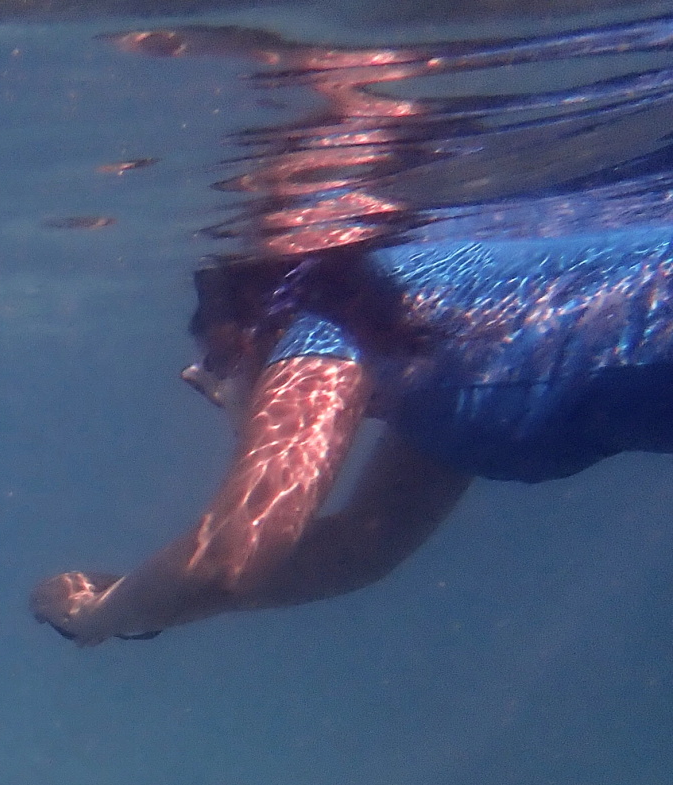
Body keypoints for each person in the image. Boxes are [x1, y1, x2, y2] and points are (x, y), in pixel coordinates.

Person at [33, 17, 673, 645]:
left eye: (216, 359)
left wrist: (97, 618)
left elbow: (231, 560)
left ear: (248, 326)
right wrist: (135, 600)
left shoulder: (323, 330)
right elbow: (362, 546)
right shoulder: (425, 373)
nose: (205, 376)